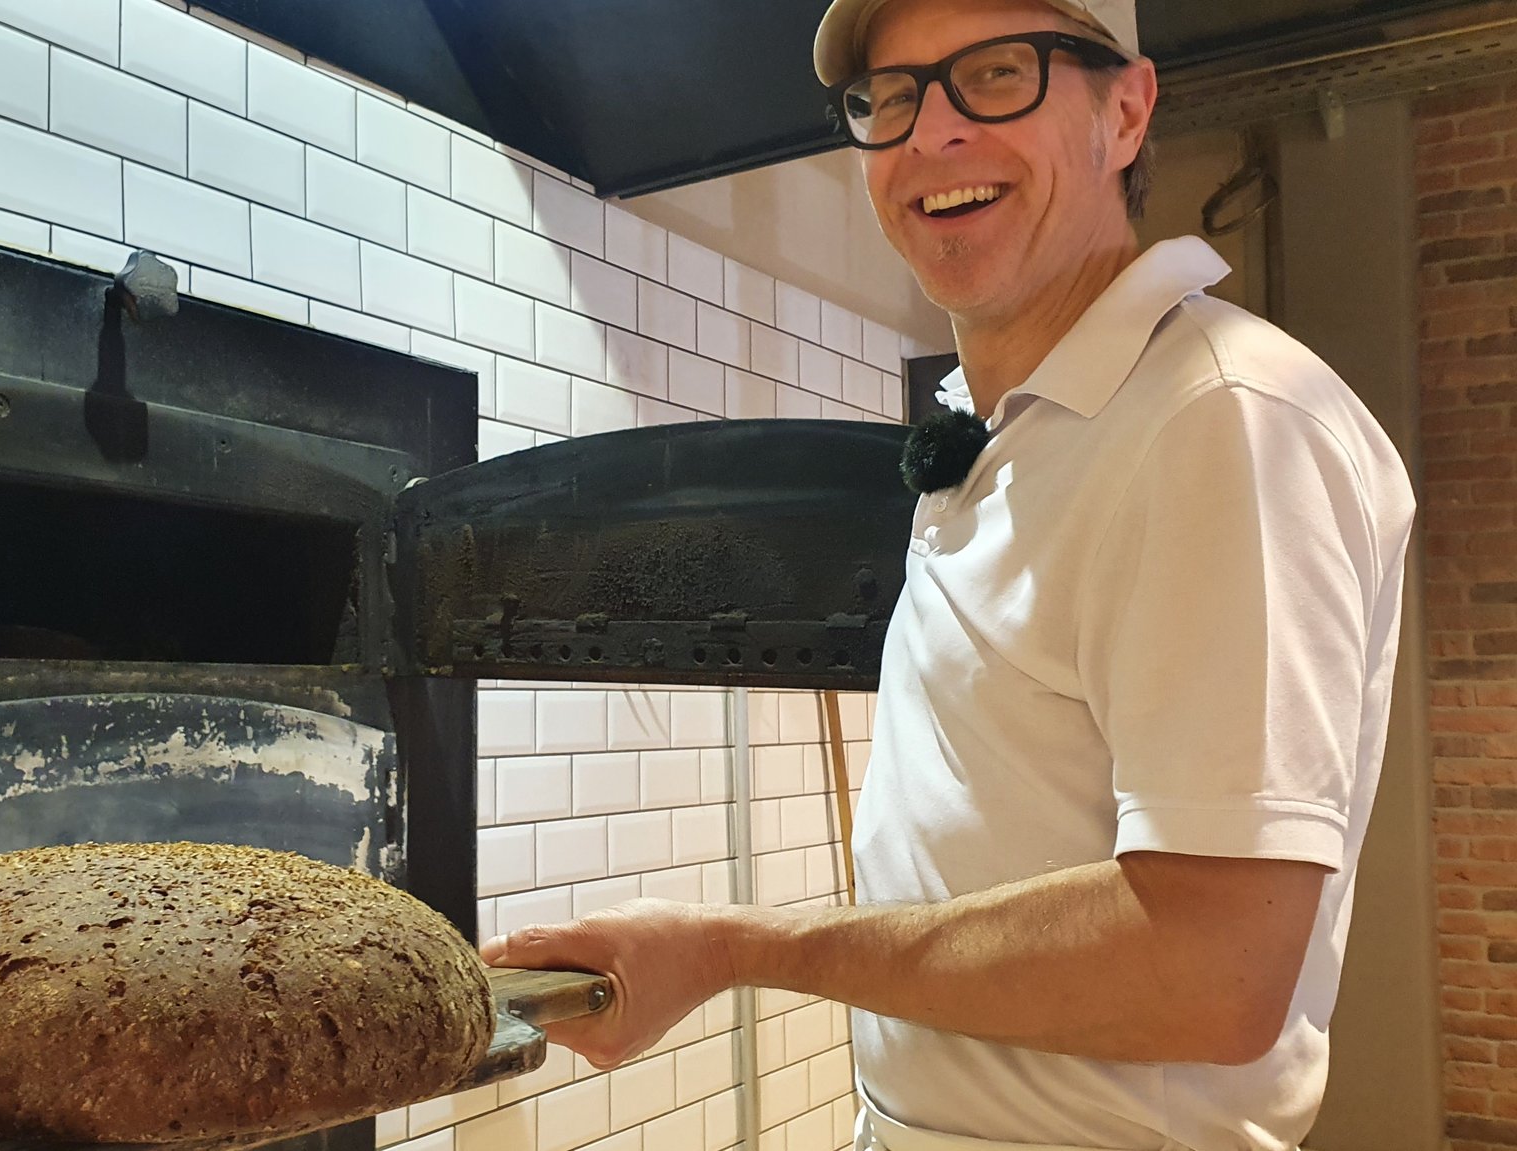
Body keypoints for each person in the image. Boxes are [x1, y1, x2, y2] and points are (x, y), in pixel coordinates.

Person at [477, 0, 1418, 1147]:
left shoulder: (1217, 419)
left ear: (1123, 111)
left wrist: (735, 946)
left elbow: (1209, 967)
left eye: (996, 75)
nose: (930, 135)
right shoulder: (1007, 431)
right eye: (891, 96)